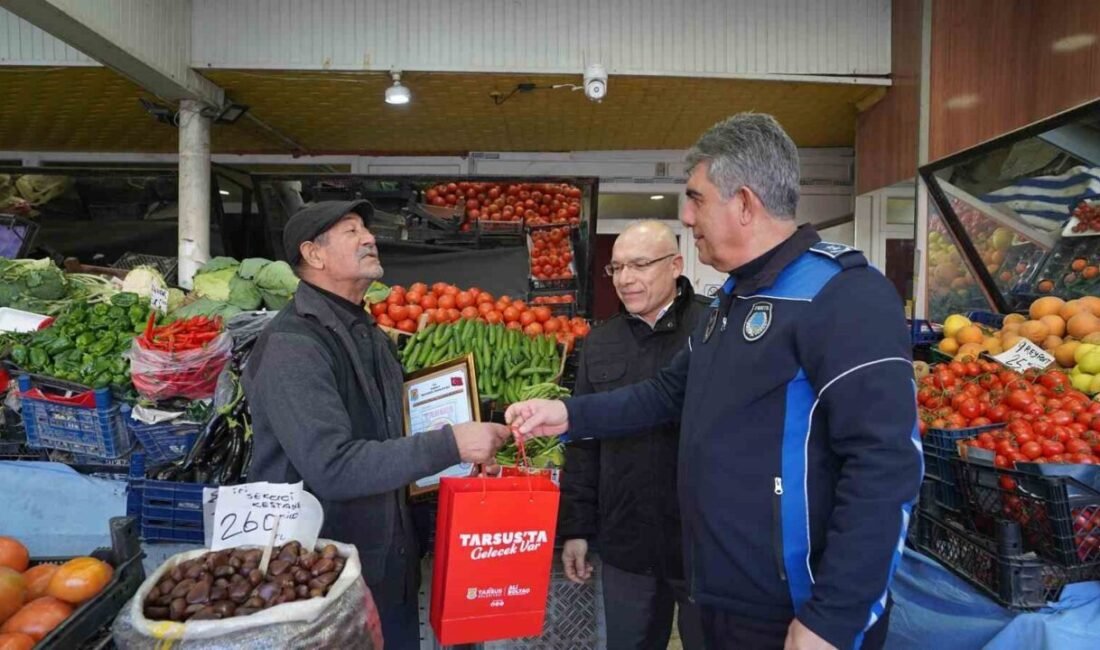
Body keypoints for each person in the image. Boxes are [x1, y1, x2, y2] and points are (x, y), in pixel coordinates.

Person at [507, 114, 922, 650]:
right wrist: (568, 414)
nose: (685, 214)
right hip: (717, 598)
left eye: (695, 198)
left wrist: (834, 618)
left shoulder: (844, 296)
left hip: (797, 614)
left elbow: (886, 465)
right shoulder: (730, 300)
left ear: (744, 204)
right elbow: (666, 393)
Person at [244, 200, 511, 649]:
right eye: (351, 231)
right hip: (320, 578)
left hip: (384, 562)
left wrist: (481, 427)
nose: (369, 237)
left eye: (366, 228)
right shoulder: (293, 345)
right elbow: (333, 466)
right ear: (314, 255)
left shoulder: (365, 331)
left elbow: (396, 426)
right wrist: (453, 444)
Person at [559, 220, 708, 650]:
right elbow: (584, 444)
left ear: (676, 265)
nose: (625, 279)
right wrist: (577, 528)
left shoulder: (713, 329)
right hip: (627, 542)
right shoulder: (600, 342)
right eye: (617, 268)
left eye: (639, 265)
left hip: (701, 544)